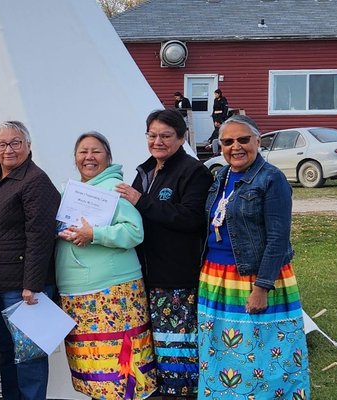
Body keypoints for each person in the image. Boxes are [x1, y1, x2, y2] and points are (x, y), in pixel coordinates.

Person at [197, 115, 310, 399]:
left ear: (258, 141)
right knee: (219, 352)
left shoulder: (272, 179)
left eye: (243, 139)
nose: (235, 146)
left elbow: (278, 238)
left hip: (254, 278)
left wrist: (262, 287)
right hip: (216, 277)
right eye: (227, 141)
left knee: (264, 356)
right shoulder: (221, 176)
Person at [116, 109, 213, 398]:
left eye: (166, 136)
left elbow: (191, 218)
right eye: (152, 135)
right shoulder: (145, 171)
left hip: (177, 278)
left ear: (181, 138)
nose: (158, 141)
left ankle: (184, 395)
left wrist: (142, 201)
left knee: (179, 352)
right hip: (147, 274)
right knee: (158, 349)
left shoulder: (194, 172)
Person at [56, 132, 156, 400]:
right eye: (82, 151)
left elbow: (134, 231)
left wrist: (95, 234)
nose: (89, 157)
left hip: (111, 290)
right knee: (95, 371)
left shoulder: (113, 188)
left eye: (96, 151)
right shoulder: (73, 191)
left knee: (119, 371)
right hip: (78, 292)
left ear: (108, 157)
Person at [0, 121, 60, 400]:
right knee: (8, 353)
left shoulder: (35, 181)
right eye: (2, 144)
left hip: (24, 289)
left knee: (29, 359)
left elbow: (40, 235)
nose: (8, 149)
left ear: (28, 146)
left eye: (15, 143)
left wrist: (32, 285)